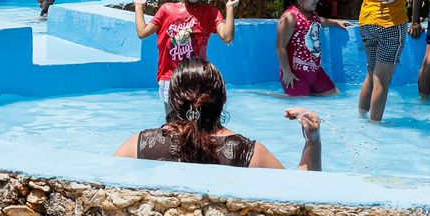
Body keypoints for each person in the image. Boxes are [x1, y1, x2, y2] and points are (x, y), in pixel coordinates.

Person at [114, 58, 321, 170]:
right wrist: (312, 140)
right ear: (222, 98)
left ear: (173, 100)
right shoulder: (247, 152)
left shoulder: (140, 144)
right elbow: (301, 194)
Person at [133, 0, 238, 100]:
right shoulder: (167, 10)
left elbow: (227, 37)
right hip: (170, 77)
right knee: (172, 121)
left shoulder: (210, 13)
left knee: (197, 121)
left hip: (198, 76)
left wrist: (229, 8)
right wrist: (138, 6)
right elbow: (142, 33)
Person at [277, 0, 351, 96]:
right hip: (296, 74)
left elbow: (317, 21)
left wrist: (335, 23)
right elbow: (280, 47)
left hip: (315, 71)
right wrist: (287, 72)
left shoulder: (311, 13)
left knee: (335, 96)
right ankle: (274, 97)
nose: (317, 0)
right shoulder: (290, 17)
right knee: (303, 107)